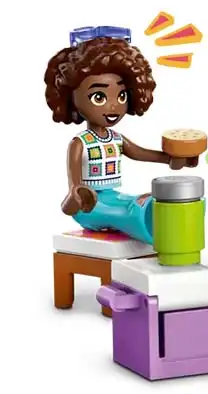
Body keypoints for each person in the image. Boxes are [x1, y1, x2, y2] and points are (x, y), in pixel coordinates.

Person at [44, 27, 197, 243]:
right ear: (72, 99)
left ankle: (160, 228)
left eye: (122, 95)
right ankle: (144, 228)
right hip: (90, 205)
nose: (114, 106)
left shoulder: (116, 139)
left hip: (115, 197)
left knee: (145, 201)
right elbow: (74, 182)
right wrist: (77, 193)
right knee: (129, 211)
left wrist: (172, 159)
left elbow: (140, 153)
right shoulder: (80, 143)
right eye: (99, 97)